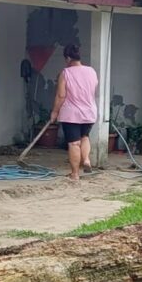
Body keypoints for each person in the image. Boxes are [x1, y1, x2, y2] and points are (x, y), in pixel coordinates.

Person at [49, 43, 99, 182]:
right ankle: (87, 159)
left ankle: (75, 174)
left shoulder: (66, 73)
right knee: (85, 137)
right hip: (89, 112)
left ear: (68, 58)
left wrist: (54, 112)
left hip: (72, 114)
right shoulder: (91, 71)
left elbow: (61, 96)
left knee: (74, 143)